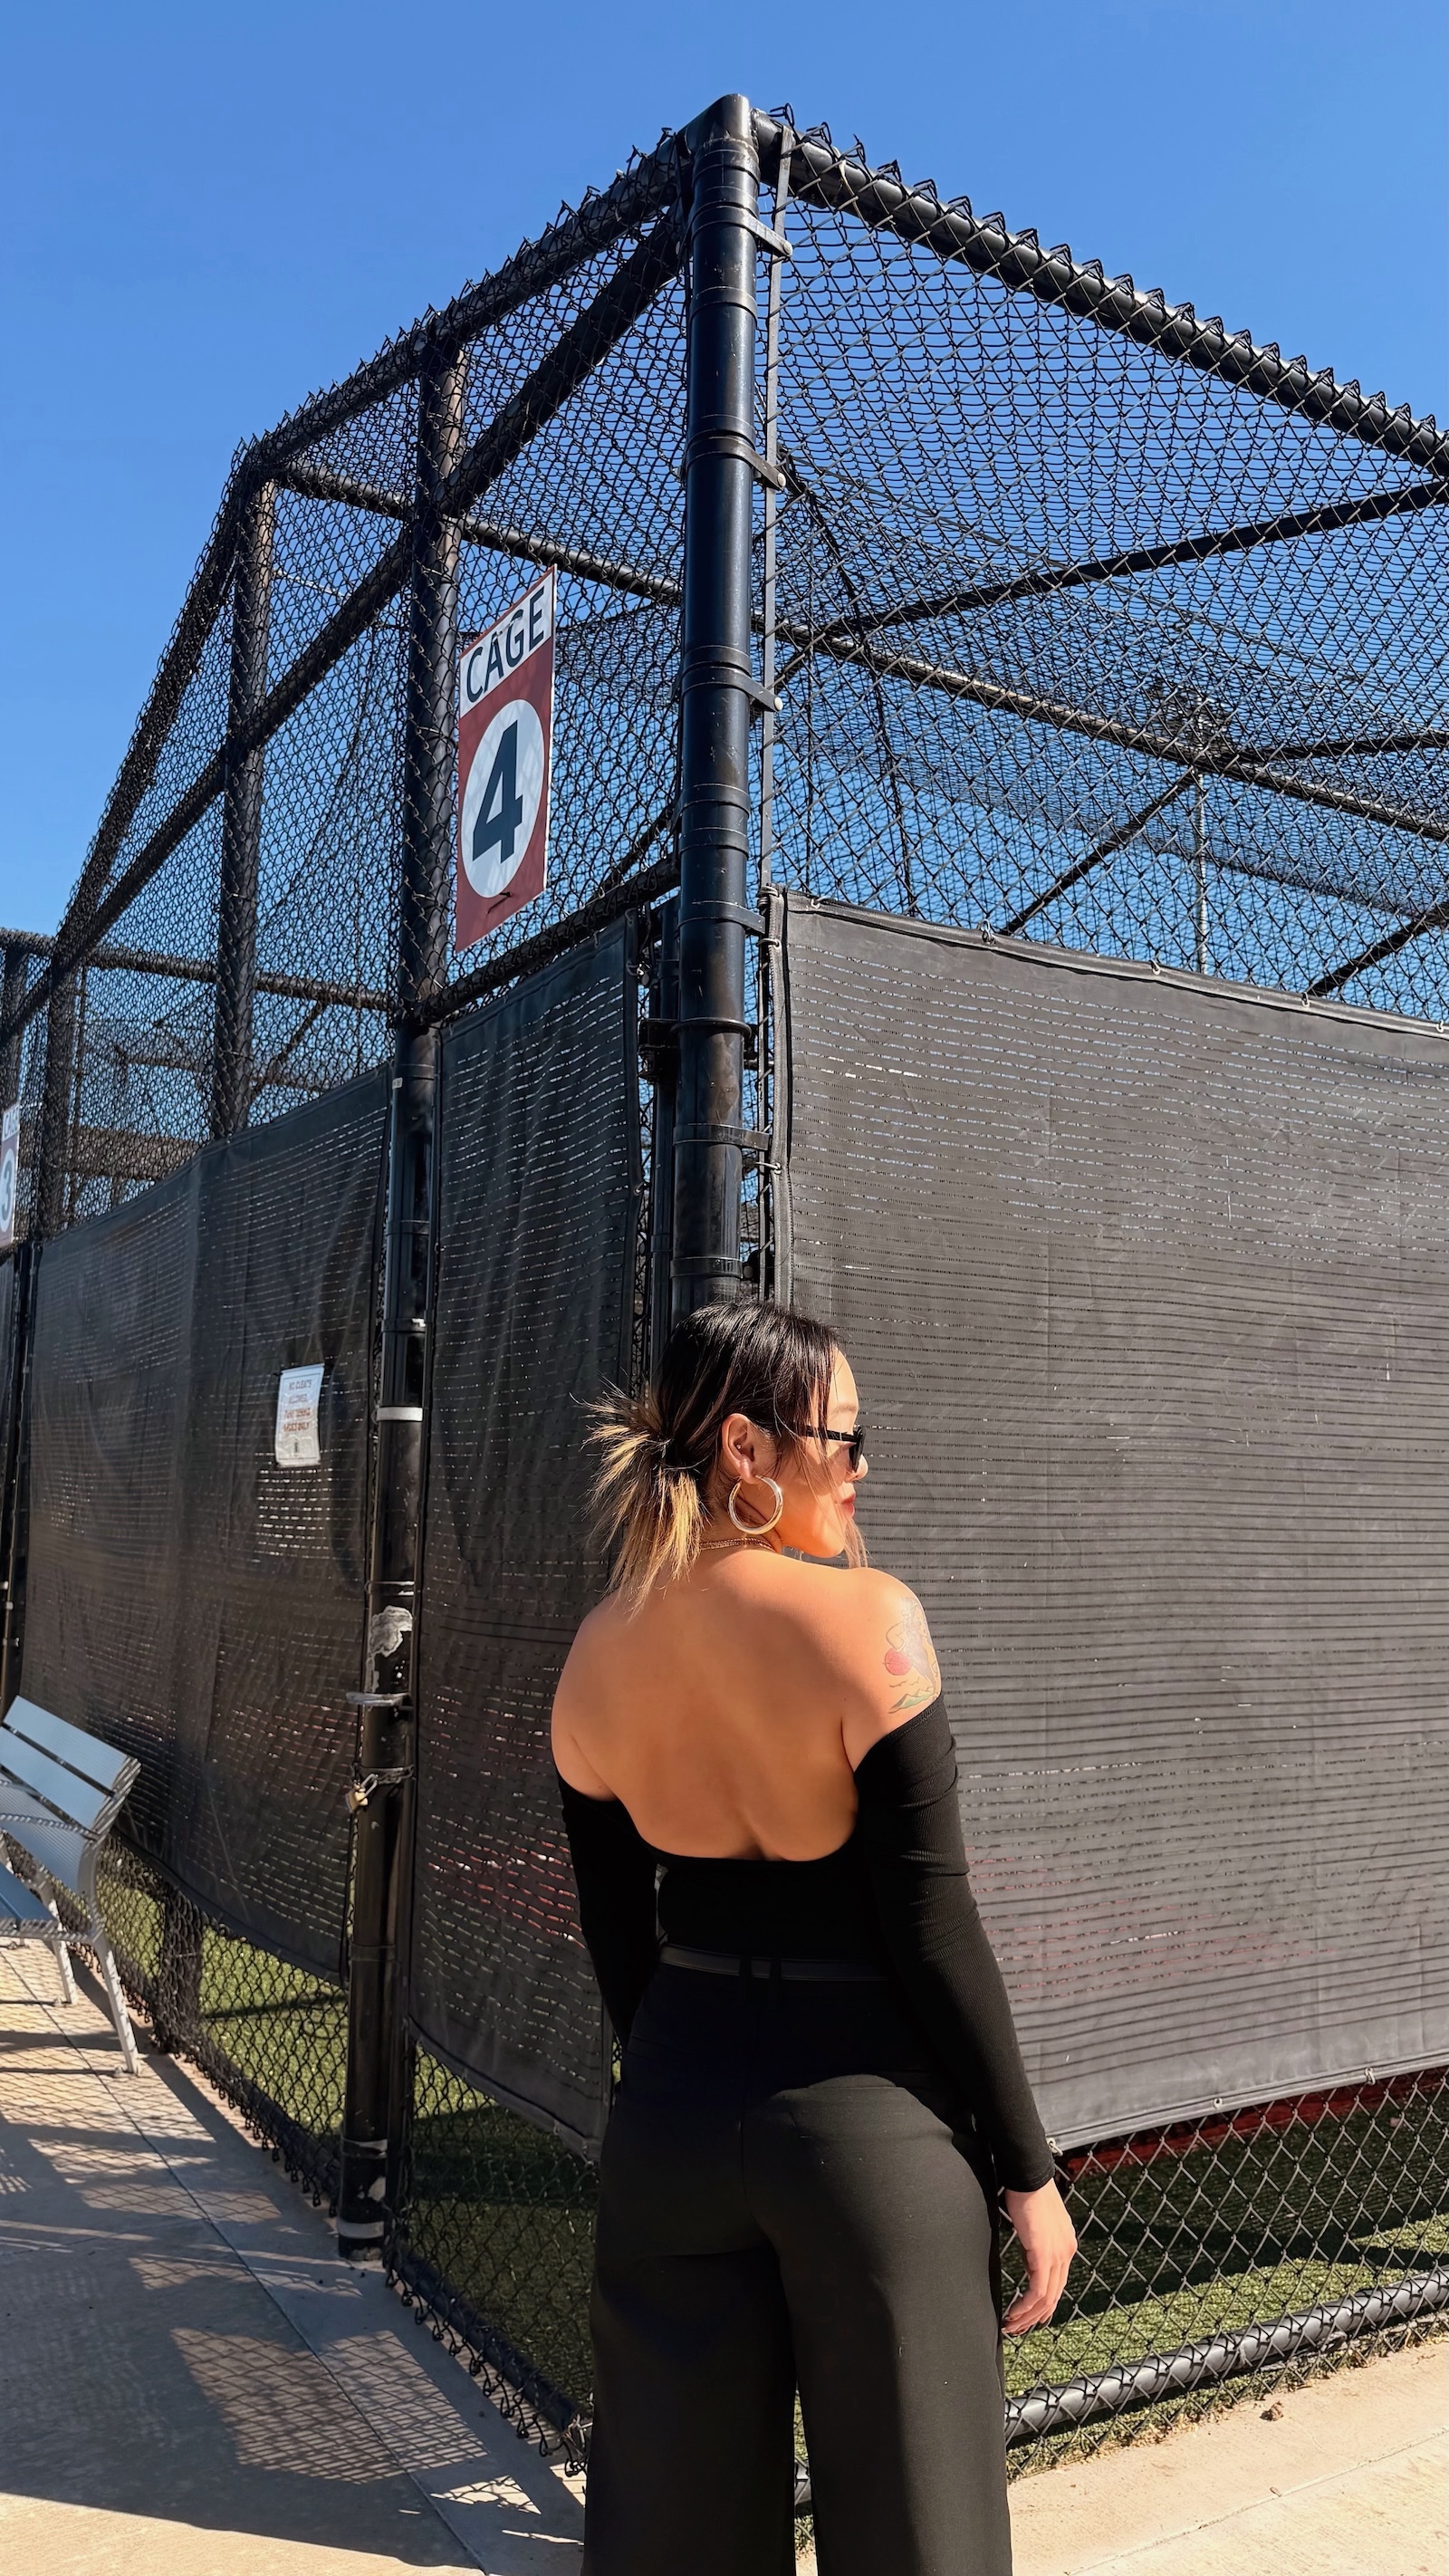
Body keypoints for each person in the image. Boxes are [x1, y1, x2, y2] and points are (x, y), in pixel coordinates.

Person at [552, 1302, 1076, 2576]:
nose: (859, 1467)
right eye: (842, 1438)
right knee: (920, 2532)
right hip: (869, 2129)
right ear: (745, 1447)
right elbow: (934, 1929)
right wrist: (1028, 2172)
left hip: (672, 2112)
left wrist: (682, 2085)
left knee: (671, 2535)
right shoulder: (868, 1623)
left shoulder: (599, 1650)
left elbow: (621, 1939)